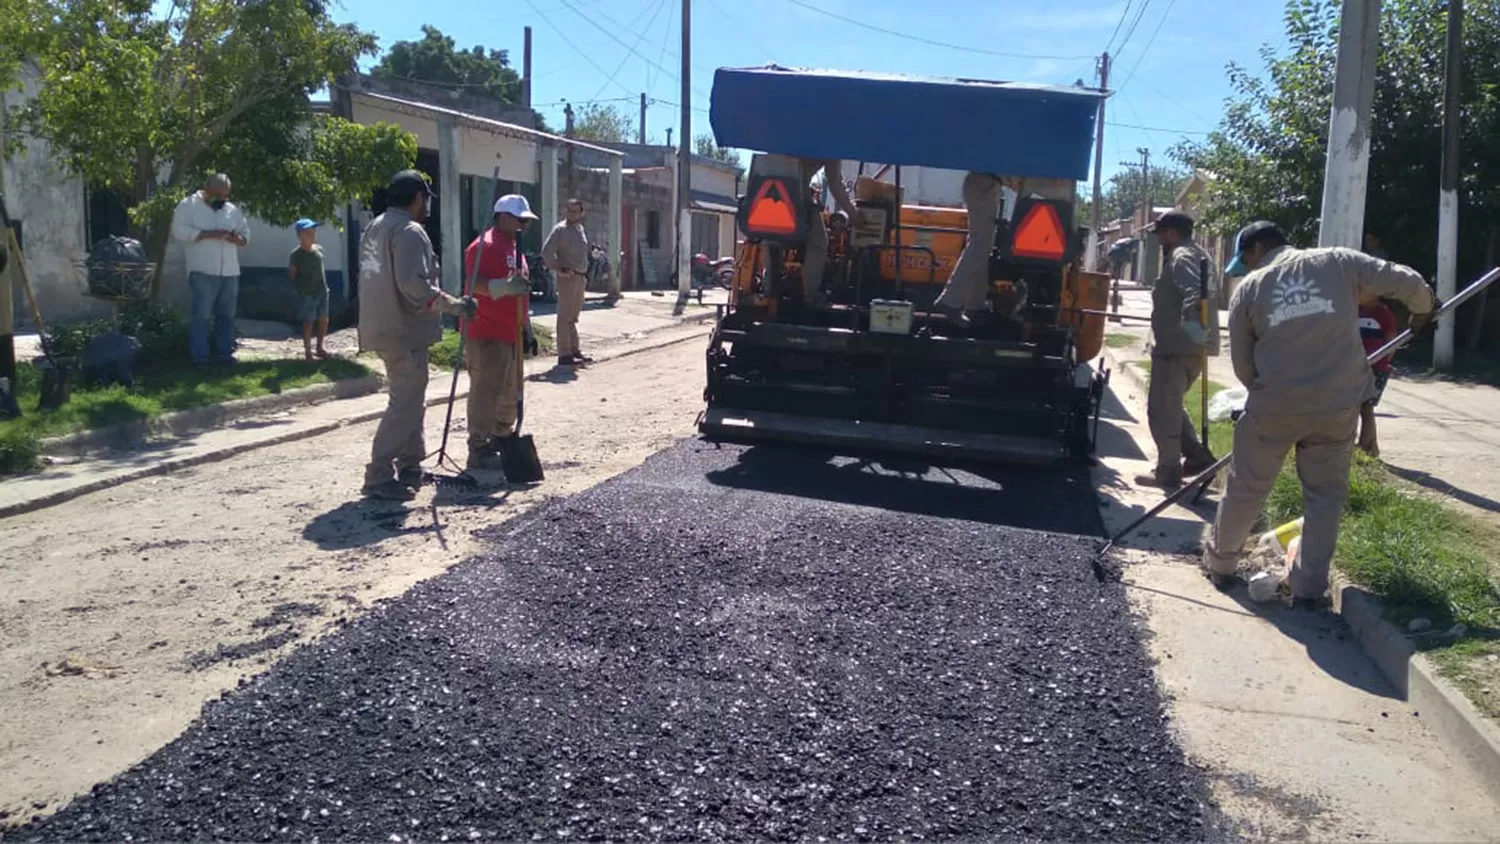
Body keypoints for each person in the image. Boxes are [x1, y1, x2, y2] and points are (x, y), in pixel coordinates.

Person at [1202, 221, 1436, 609]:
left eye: (1246, 258)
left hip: (1274, 405)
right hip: (1336, 405)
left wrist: (1269, 391)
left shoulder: (1251, 289)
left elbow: (1243, 365)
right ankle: (1309, 589)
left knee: (1246, 486)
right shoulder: (1338, 262)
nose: (1247, 266)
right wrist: (1423, 311)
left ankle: (1221, 566)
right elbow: (1404, 280)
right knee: (1325, 495)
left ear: (1259, 247)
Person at [357, 169, 477, 501]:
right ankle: (379, 474)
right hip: (402, 329)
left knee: (411, 400)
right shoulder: (408, 231)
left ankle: (410, 465)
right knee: (405, 403)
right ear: (417, 198)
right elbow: (414, 286)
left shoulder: (375, 227)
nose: (427, 207)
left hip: (382, 325)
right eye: (425, 199)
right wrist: (456, 306)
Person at [1135, 211, 1220, 488]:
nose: (1159, 240)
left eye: (1160, 234)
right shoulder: (1197, 254)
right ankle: (1196, 455)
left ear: (1171, 233)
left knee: (1161, 410)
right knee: (1171, 405)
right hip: (1188, 347)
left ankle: (1168, 471)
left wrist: (1192, 328)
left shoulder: (1182, 256)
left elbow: (1195, 293)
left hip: (1178, 347)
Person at [464, 194, 540, 471]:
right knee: (486, 393)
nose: (524, 225)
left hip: (510, 332)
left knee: (510, 393)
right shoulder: (483, 246)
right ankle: (479, 447)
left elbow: (523, 295)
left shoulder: (516, 249)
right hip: (486, 331)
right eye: (519, 219)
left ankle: (500, 437)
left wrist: (527, 329)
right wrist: (504, 287)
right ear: (503, 217)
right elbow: (474, 284)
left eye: (526, 220)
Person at [172, 173, 249, 366]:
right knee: (202, 316)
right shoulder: (188, 206)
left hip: (230, 271)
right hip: (202, 271)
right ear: (207, 188)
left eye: (226, 195)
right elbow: (178, 230)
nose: (222, 199)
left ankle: (224, 355)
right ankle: (200, 358)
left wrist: (237, 239)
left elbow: (245, 233)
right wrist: (207, 234)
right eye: (219, 194)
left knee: (226, 316)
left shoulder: (231, 210)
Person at [932, 172, 1005, 323]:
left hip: (983, 182)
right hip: (985, 183)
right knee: (980, 245)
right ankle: (950, 300)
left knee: (982, 245)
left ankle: (975, 303)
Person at [799, 158, 857, 305]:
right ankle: (810, 295)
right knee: (818, 243)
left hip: (764, 189)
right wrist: (852, 213)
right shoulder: (831, 140)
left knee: (771, 237)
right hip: (796, 192)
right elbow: (835, 183)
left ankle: (768, 288)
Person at [541, 198, 591, 367]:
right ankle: (564, 354)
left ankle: (574, 350)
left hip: (580, 277)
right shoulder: (560, 230)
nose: (571, 214)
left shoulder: (580, 229)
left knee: (573, 317)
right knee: (564, 317)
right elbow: (546, 252)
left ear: (581, 213)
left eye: (575, 211)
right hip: (568, 278)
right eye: (569, 210)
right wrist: (559, 269)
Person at [1357, 292, 1398, 457]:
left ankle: (1364, 446)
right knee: (1358, 407)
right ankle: (1372, 447)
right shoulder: (1354, 310)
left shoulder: (1384, 314)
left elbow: (1392, 342)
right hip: (1354, 366)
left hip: (1375, 368)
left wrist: (1383, 362)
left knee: (1366, 407)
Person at [288, 219, 330, 361]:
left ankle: (320, 347)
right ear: (300, 235)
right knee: (308, 321)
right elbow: (293, 274)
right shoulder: (296, 255)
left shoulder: (319, 249)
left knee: (323, 319)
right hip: (307, 293)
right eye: (307, 232)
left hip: (322, 290)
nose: (312, 234)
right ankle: (308, 351)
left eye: (313, 231)